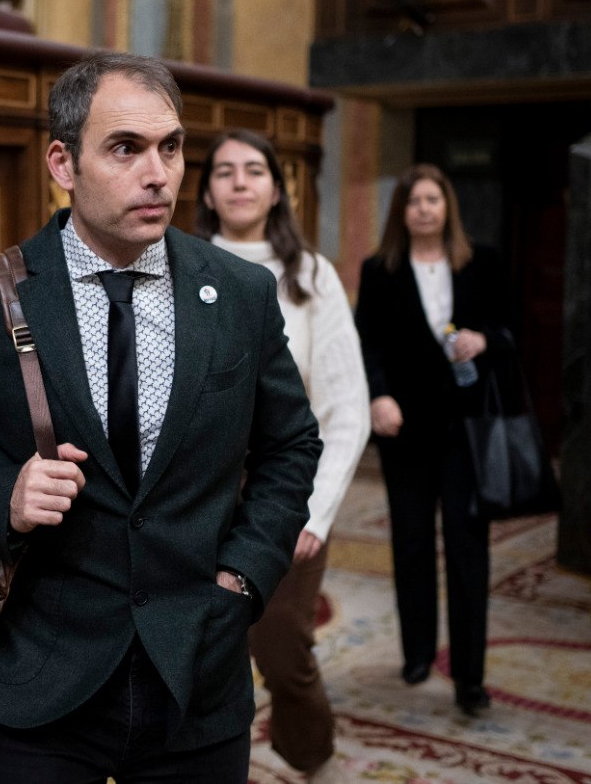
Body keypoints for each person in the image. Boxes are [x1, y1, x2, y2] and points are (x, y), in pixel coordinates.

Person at [0, 51, 322, 783]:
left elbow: (291, 446)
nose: (159, 174)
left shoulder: (239, 293)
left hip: (197, 672)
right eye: (126, 148)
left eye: (171, 147)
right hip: (39, 677)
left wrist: (242, 578)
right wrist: (3, 495)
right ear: (63, 161)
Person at [194, 129, 369, 779]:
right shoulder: (175, 262)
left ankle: (311, 755)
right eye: (225, 171)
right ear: (208, 190)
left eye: (254, 170)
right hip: (197, 495)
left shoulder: (310, 275)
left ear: (276, 187)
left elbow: (347, 407)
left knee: (281, 642)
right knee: (203, 645)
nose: (239, 182)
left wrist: (314, 514)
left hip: (284, 492)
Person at [353, 163, 511, 717]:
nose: (424, 208)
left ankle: (470, 678)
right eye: (414, 200)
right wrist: (377, 396)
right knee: (412, 543)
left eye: (433, 199)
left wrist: (483, 339)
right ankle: (417, 654)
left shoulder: (482, 261)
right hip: (405, 430)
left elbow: (511, 332)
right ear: (402, 211)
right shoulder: (380, 269)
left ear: (447, 207)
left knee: (469, 552)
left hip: (467, 432)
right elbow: (365, 343)